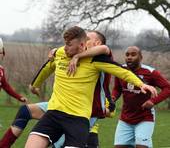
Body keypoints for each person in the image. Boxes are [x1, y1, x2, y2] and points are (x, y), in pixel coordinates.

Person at [24, 26, 157, 148]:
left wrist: (141, 84)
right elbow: (47, 67)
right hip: (53, 114)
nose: (65, 48)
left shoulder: (96, 59)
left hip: (77, 119)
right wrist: (35, 85)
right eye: (65, 44)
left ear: (82, 44)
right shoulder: (60, 53)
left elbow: (122, 71)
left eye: (69, 45)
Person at [0, 31, 114, 148]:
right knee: (25, 111)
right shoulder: (73, 55)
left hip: (82, 116)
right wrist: (35, 85)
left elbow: (108, 100)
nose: (83, 42)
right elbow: (50, 66)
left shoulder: (101, 60)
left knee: (58, 144)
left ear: (97, 43)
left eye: (87, 39)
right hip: (60, 107)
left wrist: (105, 108)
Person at [112, 46, 170, 148]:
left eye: (133, 55)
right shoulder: (121, 70)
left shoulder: (150, 72)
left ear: (141, 57)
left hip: (145, 117)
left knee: (141, 146)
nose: (129, 57)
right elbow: (117, 88)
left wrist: (153, 101)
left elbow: (167, 88)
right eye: (127, 55)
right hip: (125, 118)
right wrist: (113, 98)